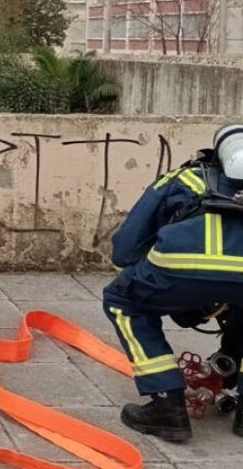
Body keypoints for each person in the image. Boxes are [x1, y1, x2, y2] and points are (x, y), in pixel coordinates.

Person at [103, 123, 243, 442]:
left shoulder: (184, 177)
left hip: (178, 266)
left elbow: (125, 248)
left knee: (123, 301)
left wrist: (138, 273)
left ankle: (166, 405)